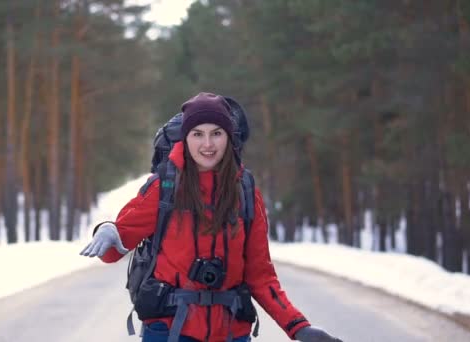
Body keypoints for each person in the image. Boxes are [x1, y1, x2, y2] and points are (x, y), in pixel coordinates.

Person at [80, 92, 342, 342]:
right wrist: (107, 230)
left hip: (232, 332)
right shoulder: (164, 188)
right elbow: (112, 253)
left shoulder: (246, 192)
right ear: (186, 138)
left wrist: (299, 327)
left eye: (216, 133)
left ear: (229, 138)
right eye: (198, 134)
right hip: (169, 331)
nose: (207, 144)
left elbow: (261, 276)